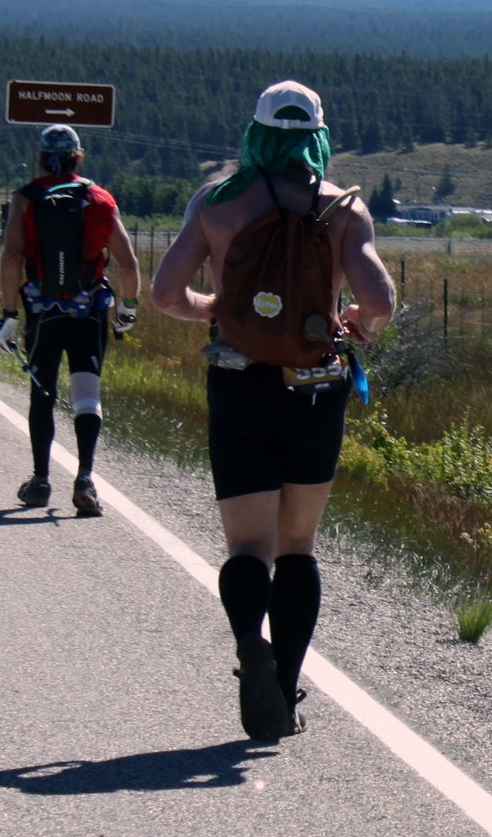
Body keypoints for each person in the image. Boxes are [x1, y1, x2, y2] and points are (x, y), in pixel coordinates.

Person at [153, 81, 393, 741]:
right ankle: (283, 692)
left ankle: (247, 645)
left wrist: (216, 308)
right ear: (317, 135)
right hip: (316, 387)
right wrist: (356, 321)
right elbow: (380, 298)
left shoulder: (217, 202)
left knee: (249, 545)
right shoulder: (343, 209)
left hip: (239, 381)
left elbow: (166, 293)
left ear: (255, 134)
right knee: (297, 546)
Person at [0, 125, 142, 517]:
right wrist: (128, 308)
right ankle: (85, 478)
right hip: (89, 308)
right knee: (86, 391)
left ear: (42, 157)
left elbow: (11, 258)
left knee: (42, 391)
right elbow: (128, 263)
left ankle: (41, 481)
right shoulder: (99, 198)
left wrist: (9, 314)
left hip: (43, 310)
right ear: (79, 155)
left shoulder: (26, 199)